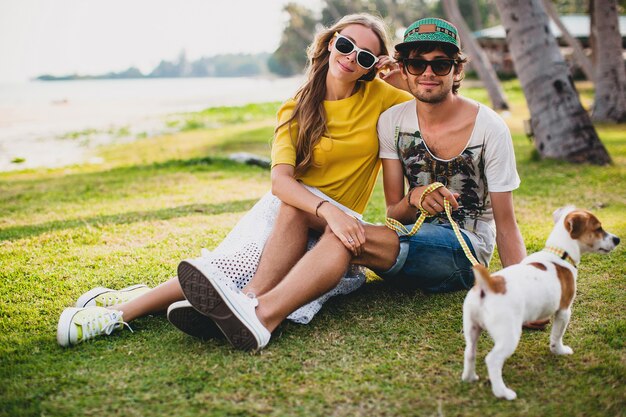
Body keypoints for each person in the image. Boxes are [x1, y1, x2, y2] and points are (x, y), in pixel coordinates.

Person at [56, 13, 413, 347]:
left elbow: (433, 100)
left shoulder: (382, 98)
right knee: (232, 267)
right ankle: (114, 315)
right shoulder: (297, 108)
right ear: (331, 42)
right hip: (291, 209)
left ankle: (228, 307)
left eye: (366, 57)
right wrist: (326, 211)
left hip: (334, 229)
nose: (352, 58)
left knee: (243, 278)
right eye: (347, 45)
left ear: (372, 68)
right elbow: (281, 183)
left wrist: (399, 77)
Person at [172, 17, 527, 351]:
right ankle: (245, 303)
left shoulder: (489, 128)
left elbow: (507, 225)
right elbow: (394, 212)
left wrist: (521, 297)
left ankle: (261, 317)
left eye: (441, 65)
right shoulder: (394, 123)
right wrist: (415, 196)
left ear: (457, 70)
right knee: (311, 213)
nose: (429, 73)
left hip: (465, 252)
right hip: (405, 243)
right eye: (417, 65)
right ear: (403, 69)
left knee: (349, 237)